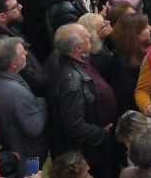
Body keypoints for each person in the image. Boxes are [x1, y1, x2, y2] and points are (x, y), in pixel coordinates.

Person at [50, 23, 117, 177]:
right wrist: (101, 133)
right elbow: (73, 124)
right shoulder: (71, 82)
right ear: (77, 48)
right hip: (93, 146)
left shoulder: (82, 58)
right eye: (87, 37)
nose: (91, 38)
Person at [0, 36, 48, 177]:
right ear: (14, 63)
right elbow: (34, 127)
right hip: (28, 153)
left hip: (3, 142)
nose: (26, 54)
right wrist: (42, 103)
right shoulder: (17, 93)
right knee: (33, 174)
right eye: (23, 53)